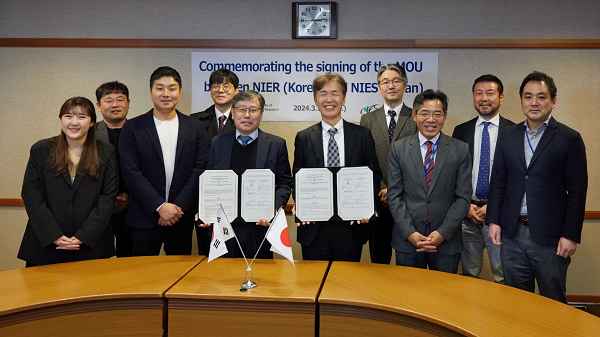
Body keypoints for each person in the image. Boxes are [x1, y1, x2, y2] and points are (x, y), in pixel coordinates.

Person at [487, 71, 587, 303]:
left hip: (550, 239)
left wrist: (570, 235)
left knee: (552, 303)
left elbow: (577, 192)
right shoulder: (507, 136)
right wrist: (493, 221)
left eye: (541, 97)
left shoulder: (569, 139)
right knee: (516, 301)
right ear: (521, 100)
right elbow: (498, 182)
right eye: (527, 96)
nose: (534, 103)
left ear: (553, 101)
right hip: (511, 234)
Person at [119, 66, 209, 256]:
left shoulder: (195, 127)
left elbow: (200, 169)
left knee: (178, 276)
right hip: (144, 215)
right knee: (144, 277)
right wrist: (160, 206)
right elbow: (131, 172)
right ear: (151, 91)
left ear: (180, 92)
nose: (166, 93)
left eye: (172, 88)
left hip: (181, 217)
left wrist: (176, 209)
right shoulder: (133, 127)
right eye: (160, 88)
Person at [18, 97, 118, 266]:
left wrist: (84, 236)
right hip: (46, 244)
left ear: (93, 121)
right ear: (61, 119)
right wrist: (53, 235)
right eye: (68, 116)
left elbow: (108, 198)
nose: (74, 122)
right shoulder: (41, 149)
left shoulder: (106, 152)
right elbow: (31, 194)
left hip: (91, 245)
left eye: (82, 117)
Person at [292, 73, 382, 262]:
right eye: (323, 94)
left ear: (344, 98)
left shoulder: (362, 135)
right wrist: (301, 204)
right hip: (314, 225)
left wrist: (366, 205)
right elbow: (297, 178)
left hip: (350, 225)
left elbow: (373, 175)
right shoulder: (303, 137)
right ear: (315, 99)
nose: (329, 99)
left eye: (335, 93)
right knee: (313, 282)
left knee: (346, 285)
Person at [198, 90, 292, 259]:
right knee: (221, 280)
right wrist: (204, 209)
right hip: (224, 228)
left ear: (261, 113)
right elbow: (209, 181)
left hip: (259, 227)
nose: (247, 115)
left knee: (260, 279)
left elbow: (285, 183)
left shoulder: (276, 144)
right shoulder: (217, 143)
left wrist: (273, 209)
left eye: (253, 110)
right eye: (241, 109)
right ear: (233, 112)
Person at [387, 89, 472, 273]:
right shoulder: (399, 149)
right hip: (408, 240)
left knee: (442, 297)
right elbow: (394, 196)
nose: (430, 120)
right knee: (407, 297)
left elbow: (463, 198)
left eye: (437, 114)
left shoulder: (460, 149)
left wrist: (442, 234)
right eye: (424, 113)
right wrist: (410, 233)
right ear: (414, 115)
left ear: (445, 116)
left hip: (446, 241)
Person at [452, 75, 514, 283]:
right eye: (479, 93)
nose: (483, 98)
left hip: (500, 216)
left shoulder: (515, 131)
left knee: (502, 274)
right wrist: (465, 206)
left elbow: (516, 177)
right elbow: (453, 175)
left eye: (490, 93)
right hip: (467, 215)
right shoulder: (461, 131)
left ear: (501, 97)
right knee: (469, 275)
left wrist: (493, 205)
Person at [360, 63, 417, 264]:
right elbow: (365, 161)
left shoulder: (416, 117)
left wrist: (394, 189)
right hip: (378, 201)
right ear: (379, 86)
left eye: (396, 81)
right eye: (385, 82)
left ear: (405, 85)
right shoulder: (367, 119)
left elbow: (419, 161)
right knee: (379, 262)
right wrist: (383, 189)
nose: (390, 85)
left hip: (408, 201)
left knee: (408, 262)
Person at [191, 68, 239, 255]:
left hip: (234, 198)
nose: (220, 90)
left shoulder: (244, 120)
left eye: (226, 86)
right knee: (208, 251)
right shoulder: (195, 122)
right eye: (215, 86)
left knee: (235, 251)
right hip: (204, 198)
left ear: (236, 90)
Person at [95, 81, 133, 257]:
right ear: (99, 106)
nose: (115, 105)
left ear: (128, 103)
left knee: (132, 263)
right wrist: (110, 199)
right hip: (99, 209)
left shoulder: (141, 131)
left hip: (135, 208)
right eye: (109, 100)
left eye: (120, 99)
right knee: (101, 264)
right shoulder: (89, 134)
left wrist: (127, 195)